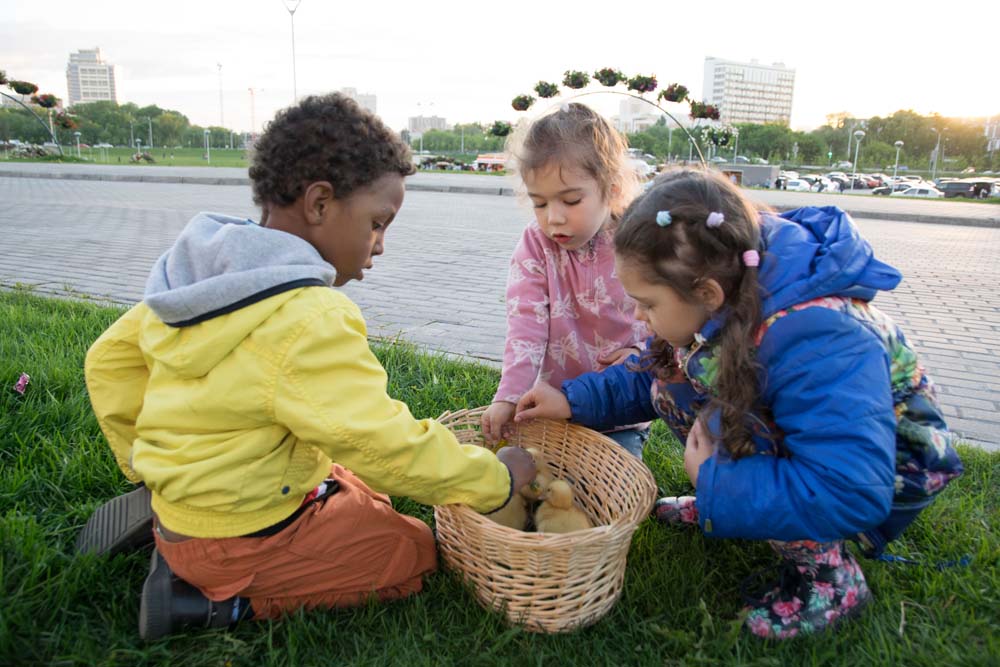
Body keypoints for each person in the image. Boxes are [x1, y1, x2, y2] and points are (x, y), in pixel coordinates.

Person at [79, 93, 536, 640]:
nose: (381, 246)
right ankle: (204, 604)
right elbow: (380, 445)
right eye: (377, 223)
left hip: (198, 495)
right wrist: (497, 481)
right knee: (409, 550)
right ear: (320, 203)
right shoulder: (308, 317)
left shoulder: (204, 275)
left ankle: (172, 518)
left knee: (364, 491)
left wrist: (149, 465)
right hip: (242, 534)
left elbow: (108, 361)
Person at [514, 168, 963, 639]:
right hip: (830, 454)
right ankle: (733, 490)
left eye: (646, 303)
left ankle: (832, 582)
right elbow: (653, 371)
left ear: (706, 293)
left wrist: (718, 481)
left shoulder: (818, 339)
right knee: (670, 385)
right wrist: (569, 400)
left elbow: (849, 486)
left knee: (744, 434)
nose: (636, 316)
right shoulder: (726, 289)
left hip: (888, 472)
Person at [480, 102, 649, 458]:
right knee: (522, 474)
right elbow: (525, 326)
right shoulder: (535, 244)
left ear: (613, 189)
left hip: (617, 412)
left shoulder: (638, 240)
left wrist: (639, 351)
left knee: (609, 481)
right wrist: (509, 396)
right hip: (550, 403)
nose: (553, 219)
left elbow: (665, 318)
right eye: (539, 204)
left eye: (570, 200)